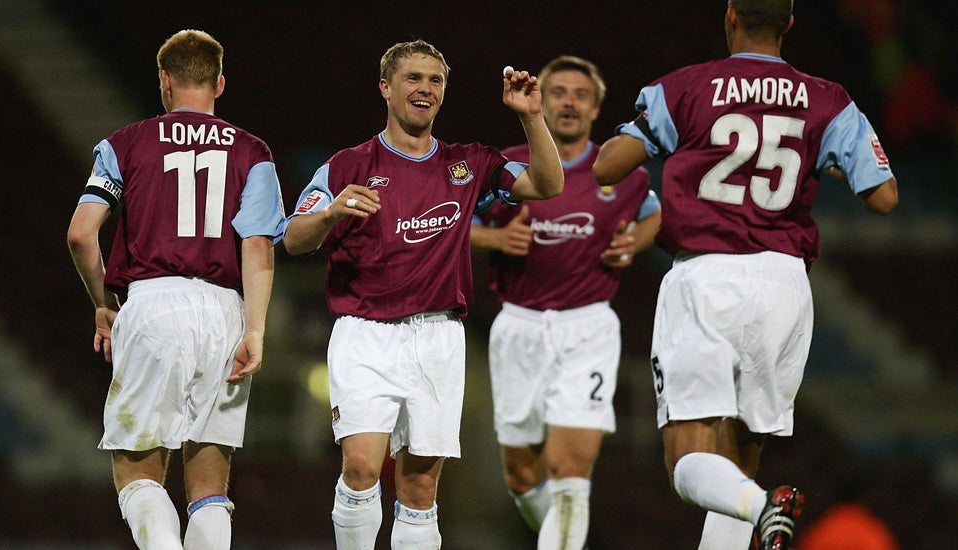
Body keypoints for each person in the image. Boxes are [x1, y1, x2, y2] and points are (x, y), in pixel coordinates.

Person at [592, 1, 899, 549]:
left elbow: (609, 165)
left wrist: (656, 137)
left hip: (707, 277)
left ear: (730, 16)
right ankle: (756, 503)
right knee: (736, 464)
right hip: (784, 286)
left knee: (690, 464)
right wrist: (819, 161)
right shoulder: (829, 100)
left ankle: (765, 504)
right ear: (789, 24)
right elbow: (883, 196)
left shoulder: (686, 87)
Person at [281, 39, 564, 549]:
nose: (425, 89)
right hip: (364, 332)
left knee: (420, 485)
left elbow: (546, 185)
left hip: (438, 338)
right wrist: (329, 212)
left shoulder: (469, 163)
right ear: (386, 88)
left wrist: (531, 118)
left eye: (435, 81)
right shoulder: (347, 166)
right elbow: (294, 238)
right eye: (413, 78)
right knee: (364, 465)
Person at [67, 29, 286, 550]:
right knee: (209, 489)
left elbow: (80, 233)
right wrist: (255, 328)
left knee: (138, 473)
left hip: (152, 304)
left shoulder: (124, 143)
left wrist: (103, 304)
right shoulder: (253, 152)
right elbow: (258, 246)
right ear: (220, 83)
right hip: (224, 311)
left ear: (164, 82)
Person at [469, 55, 660, 550]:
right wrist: (492, 242)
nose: (569, 102)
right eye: (558, 92)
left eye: (581, 94)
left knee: (570, 468)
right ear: (542, 101)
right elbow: (448, 222)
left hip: (588, 326)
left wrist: (632, 243)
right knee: (521, 475)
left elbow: (655, 214)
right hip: (518, 325)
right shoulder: (507, 165)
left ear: (597, 108)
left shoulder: (621, 172)